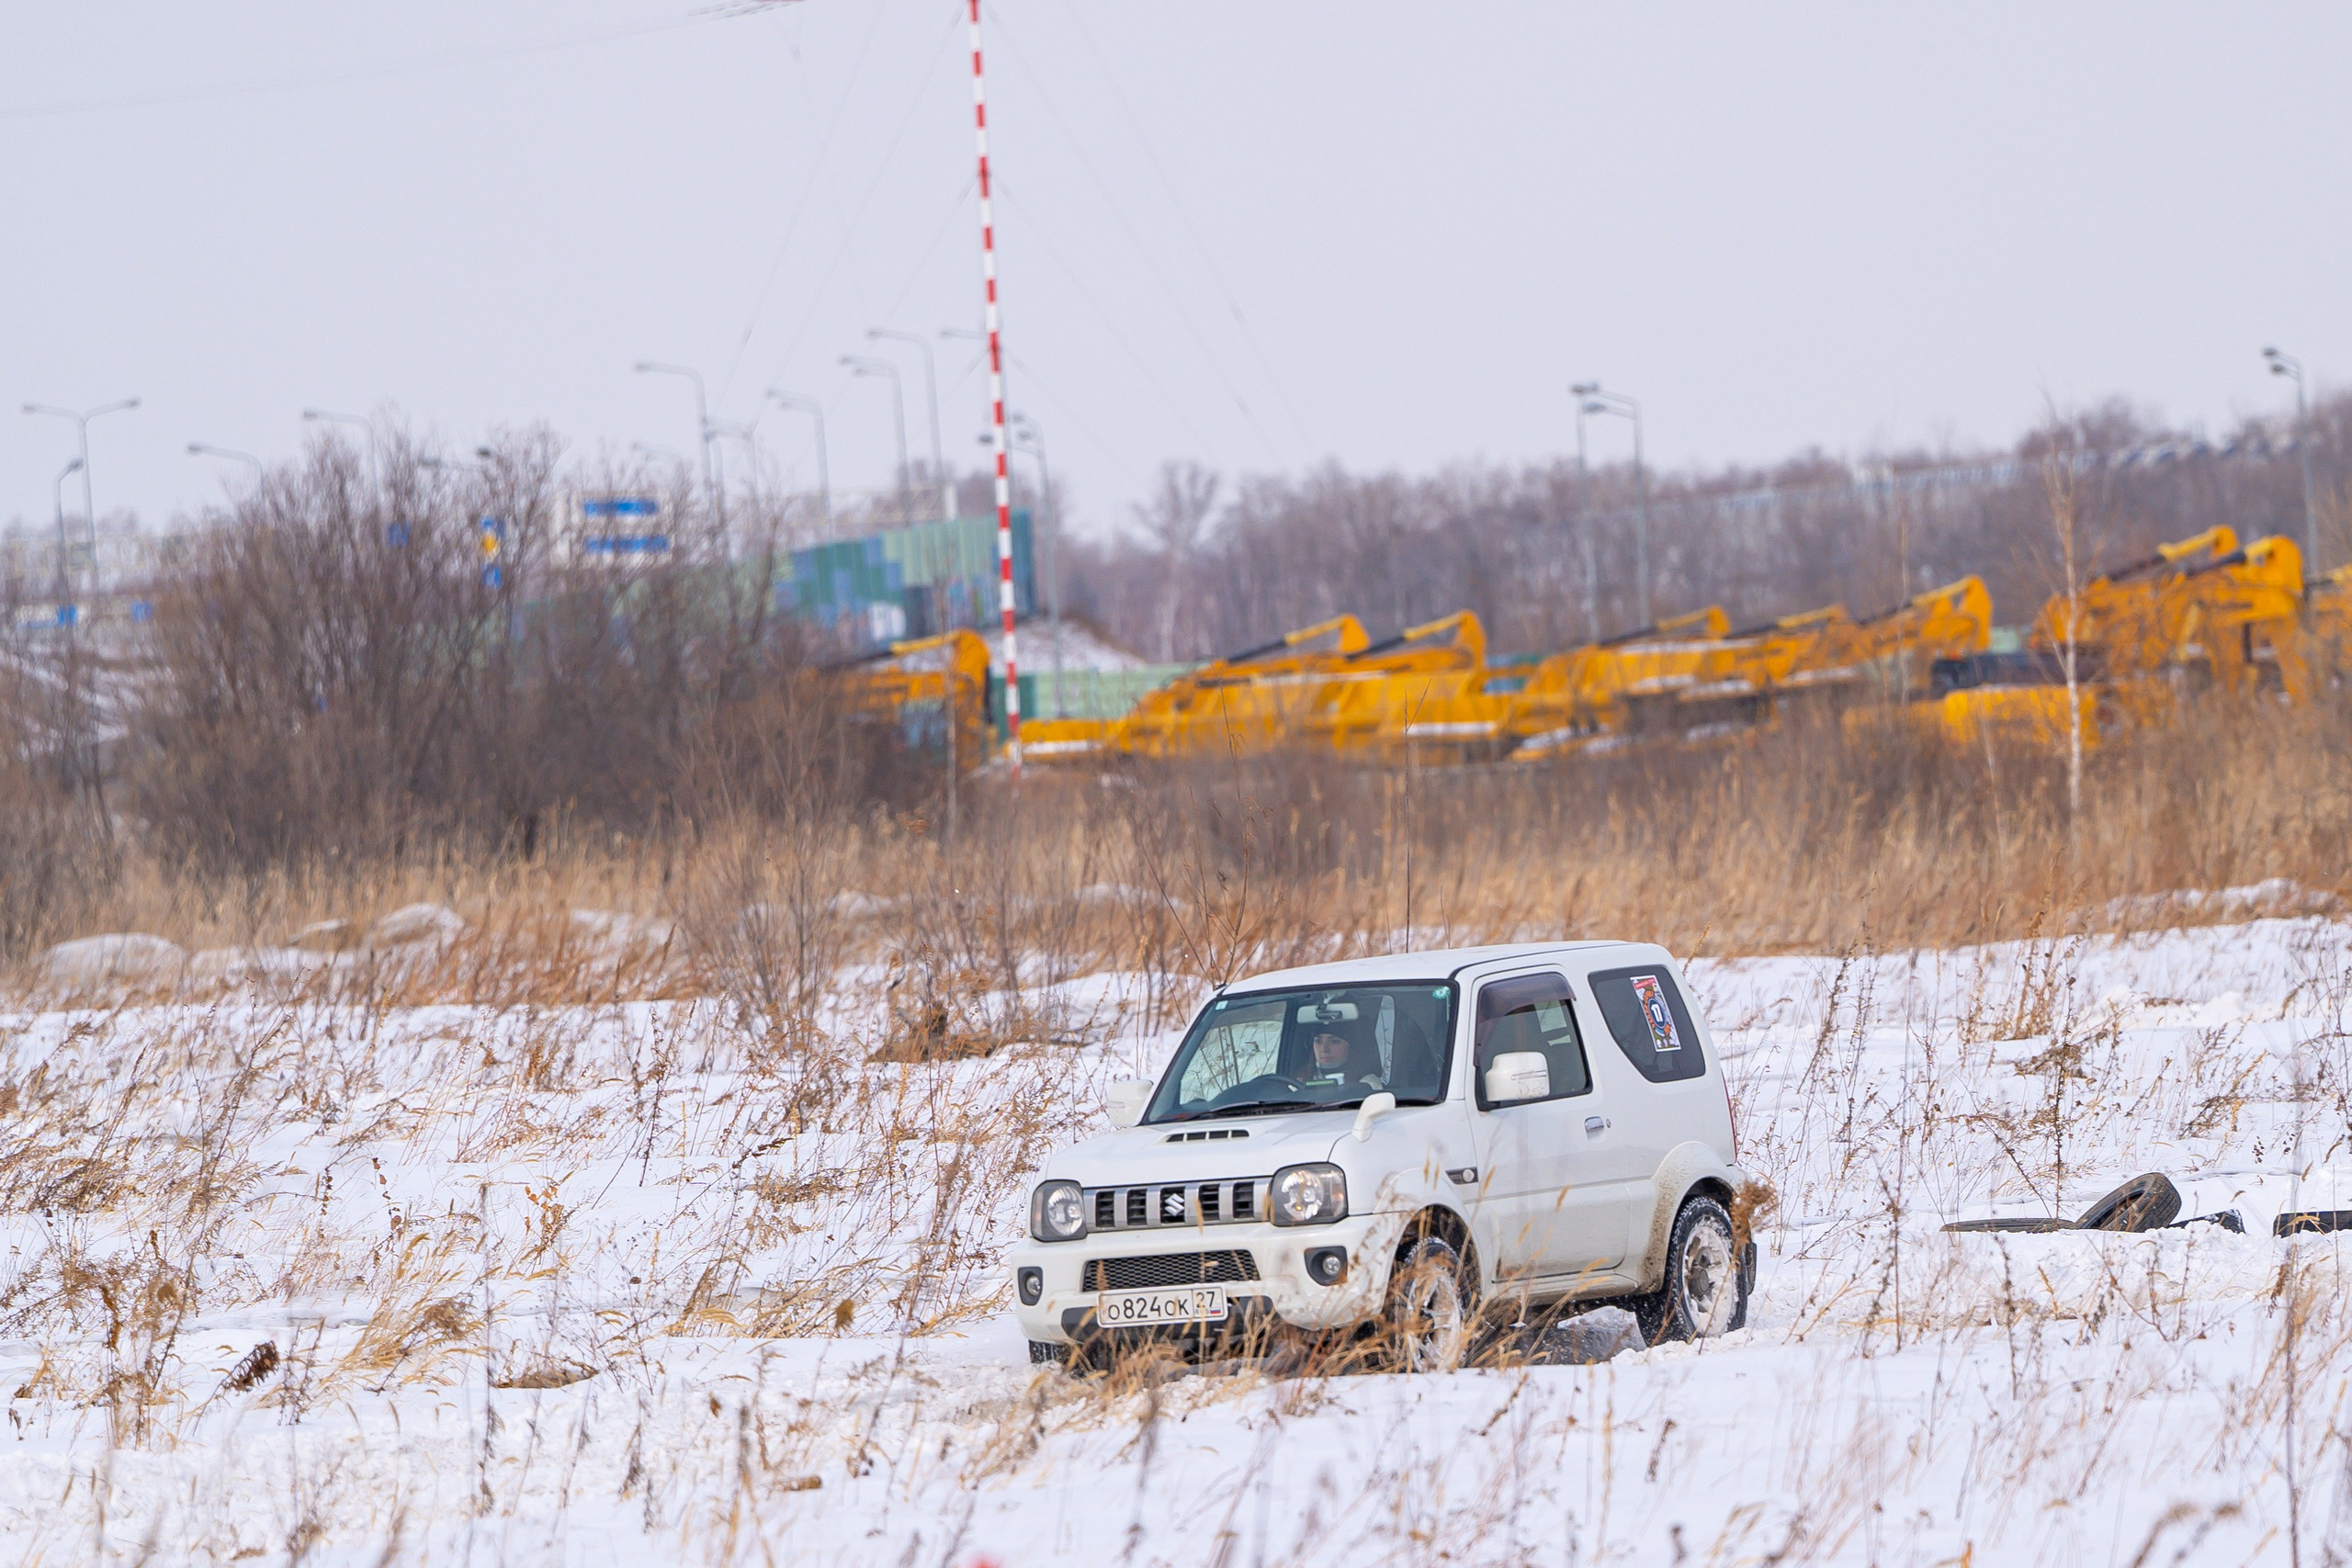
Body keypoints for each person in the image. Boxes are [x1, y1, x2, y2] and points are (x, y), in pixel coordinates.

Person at [1304, 1027, 1384, 1090]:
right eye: (1318, 1041)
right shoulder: (1298, 1083)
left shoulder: (1368, 1084)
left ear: (1351, 1047)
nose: (1324, 1049)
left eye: (1334, 1041)